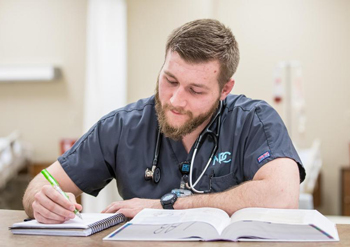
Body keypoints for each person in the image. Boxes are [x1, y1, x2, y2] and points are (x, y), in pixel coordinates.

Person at [23, 19, 305, 224]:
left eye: (195, 90)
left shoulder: (253, 121)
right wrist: (42, 201)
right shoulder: (123, 127)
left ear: (225, 89)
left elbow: (282, 196)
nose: (175, 100)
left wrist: (165, 205)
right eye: (170, 81)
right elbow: (41, 183)